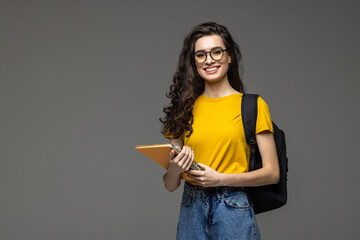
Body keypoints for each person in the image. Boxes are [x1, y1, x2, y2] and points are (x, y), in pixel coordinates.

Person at [159, 22, 279, 240]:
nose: (209, 60)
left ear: (229, 56)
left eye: (216, 52)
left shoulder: (252, 105)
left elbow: (272, 173)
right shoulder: (183, 109)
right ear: (193, 61)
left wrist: (220, 179)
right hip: (191, 207)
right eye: (201, 55)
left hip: (233, 205)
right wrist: (175, 169)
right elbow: (170, 185)